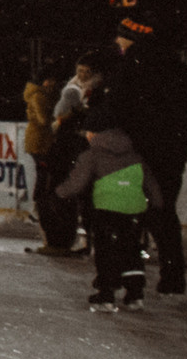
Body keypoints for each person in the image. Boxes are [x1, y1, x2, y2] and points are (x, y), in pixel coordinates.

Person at [104, 12, 187, 297]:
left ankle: (125, 278)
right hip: (169, 156)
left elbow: (116, 111)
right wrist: (177, 145)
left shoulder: (129, 68)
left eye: (120, 36)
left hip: (136, 155)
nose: (116, 42)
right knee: (164, 215)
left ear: (130, 39)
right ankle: (172, 275)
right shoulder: (178, 69)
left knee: (125, 216)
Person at [58, 108, 150, 312]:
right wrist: (156, 204)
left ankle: (107, 294)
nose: (87, 137)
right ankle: (135, 295)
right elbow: (149, 182)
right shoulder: (134, 154)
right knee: (131, 248)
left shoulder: (92, 155)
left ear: (97, 133)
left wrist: (59, 193)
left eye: (89, 132)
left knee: (106, 250)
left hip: (106, 209)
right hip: (133, 209)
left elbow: (77, 183)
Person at [25, 56, 94, 258]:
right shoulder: (45, 95)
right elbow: (47, 119)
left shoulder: (60, 92)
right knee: (47, 182)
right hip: (42, 144)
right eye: (79, 71)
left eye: (86, 72)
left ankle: (55, 230)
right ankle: (40, 213)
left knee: (51, 183)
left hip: (50, 144)